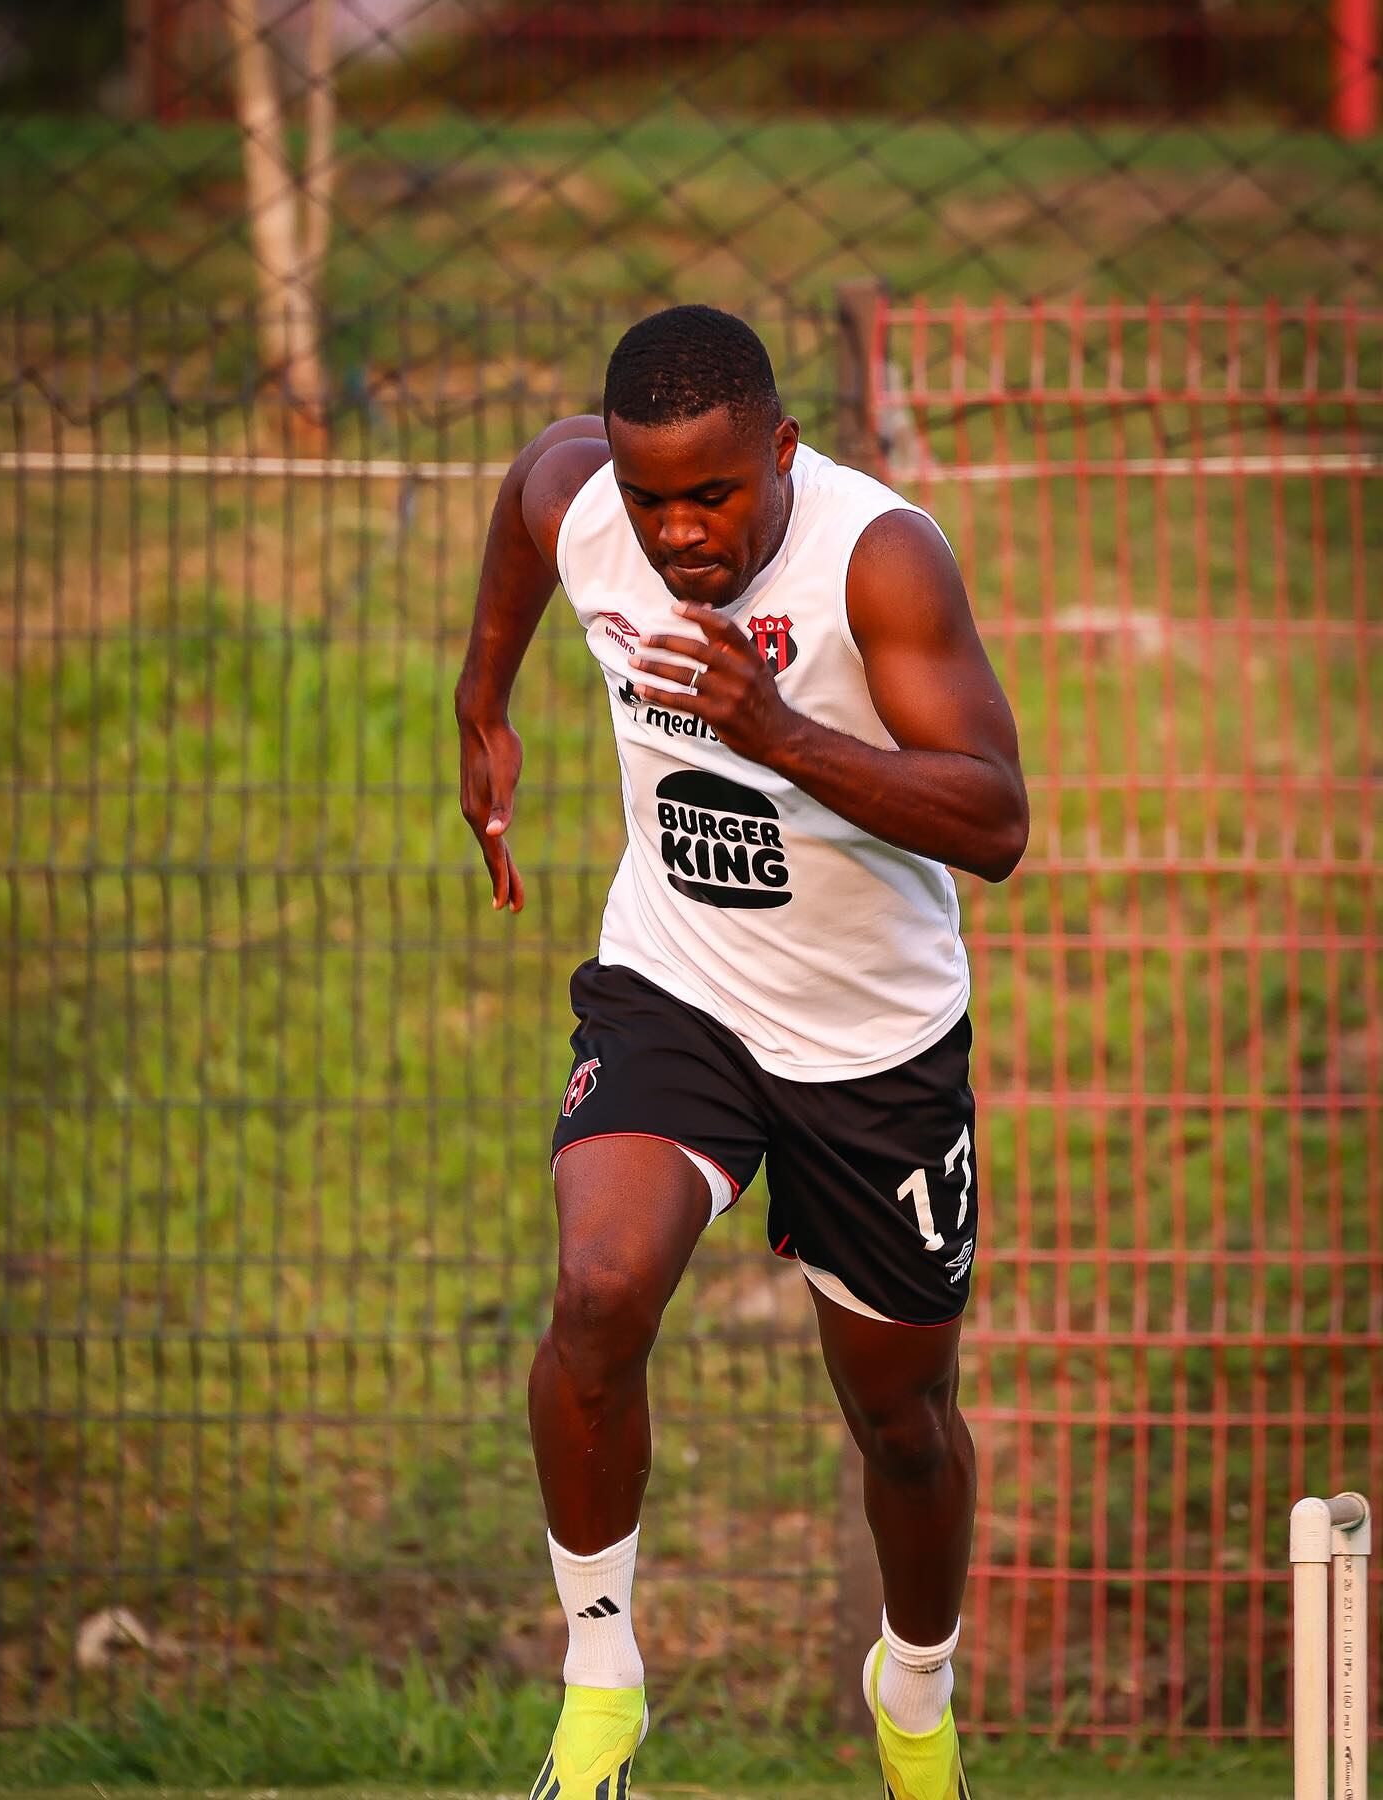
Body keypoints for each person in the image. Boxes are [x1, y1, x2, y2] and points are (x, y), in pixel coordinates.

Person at [455, 304, 1028, 1800]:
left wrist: (778, 734)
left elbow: (995, 820)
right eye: (652, 500)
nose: (677, 530)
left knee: (900, 1423)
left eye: (710, 494)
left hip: (873, 1043)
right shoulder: (592, 504)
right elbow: (531, 504)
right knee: (597, 1289)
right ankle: (599, 1693)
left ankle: (913, 1694)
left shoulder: (876, 557)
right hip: (679, 988)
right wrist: (483, 702)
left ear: (780, 449)